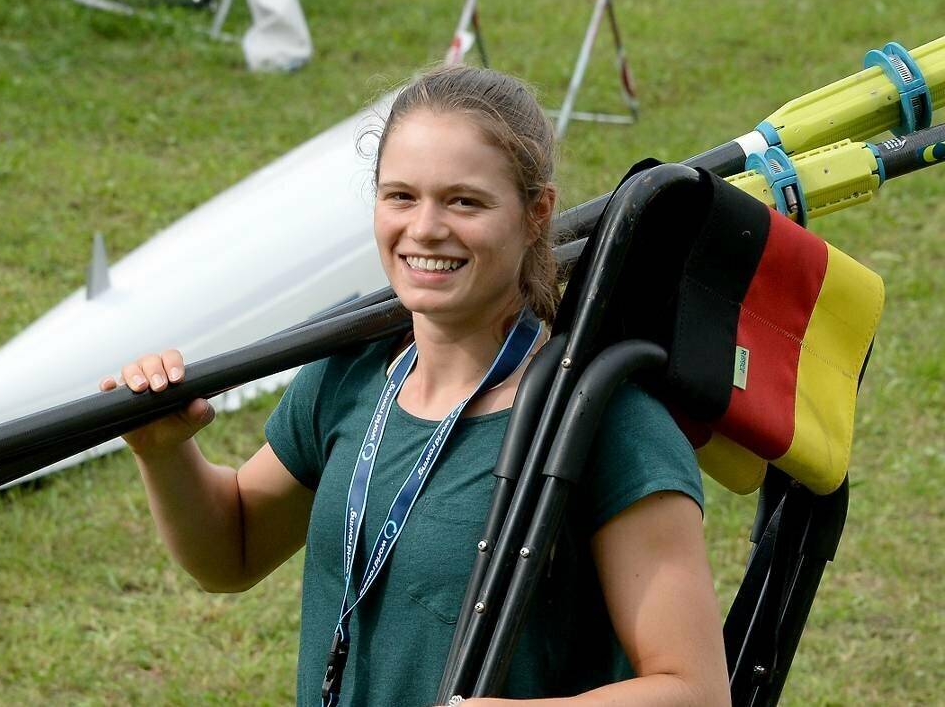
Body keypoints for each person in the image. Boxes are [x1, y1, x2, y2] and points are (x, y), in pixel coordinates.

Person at [100, 66, 730, 706]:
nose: (425, 228)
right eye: (400, 196)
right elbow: (229, 553)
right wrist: (164, 450)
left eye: (464, 201)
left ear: (536, 212)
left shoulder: (602, 420)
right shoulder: (349, 374)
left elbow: (697, 692)